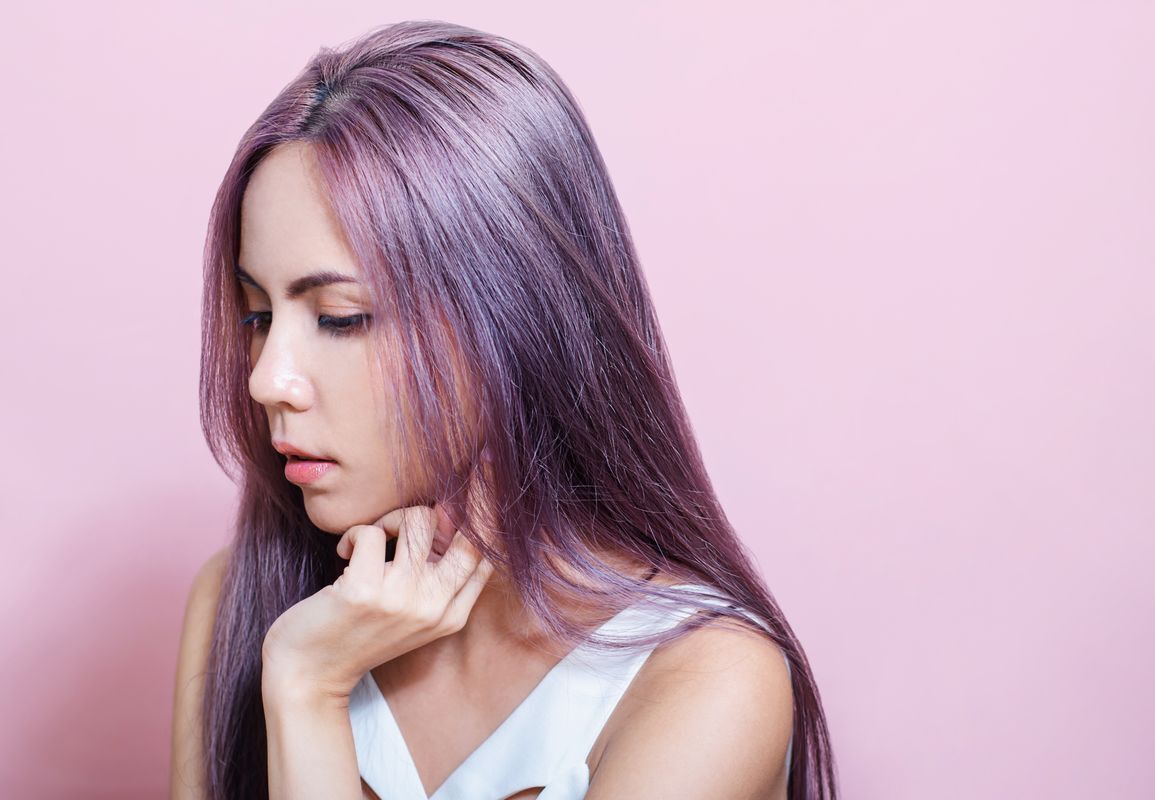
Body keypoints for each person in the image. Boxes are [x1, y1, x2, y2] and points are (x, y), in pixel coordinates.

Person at [169, 19, 837, 800]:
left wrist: (310, 692)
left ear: (510, 317)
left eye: (340, 316)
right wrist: (296, 675)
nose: (267, 379)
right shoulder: (244, 601)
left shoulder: (703, 680)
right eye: (257, 316)